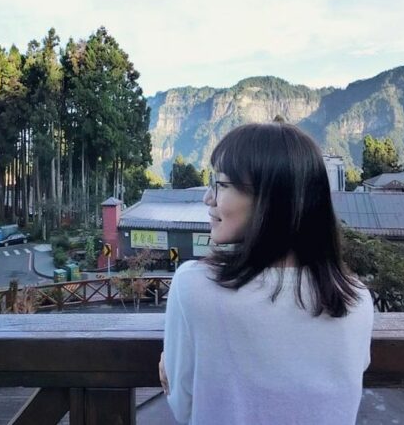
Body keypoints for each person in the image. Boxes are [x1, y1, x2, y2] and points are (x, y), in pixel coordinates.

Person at [159, 122, 374, 425]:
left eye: (221, 184)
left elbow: (184, 406)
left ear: (269, 200)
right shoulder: (357, 299)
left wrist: (171, 361)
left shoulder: (193, 286)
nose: (209, 199)